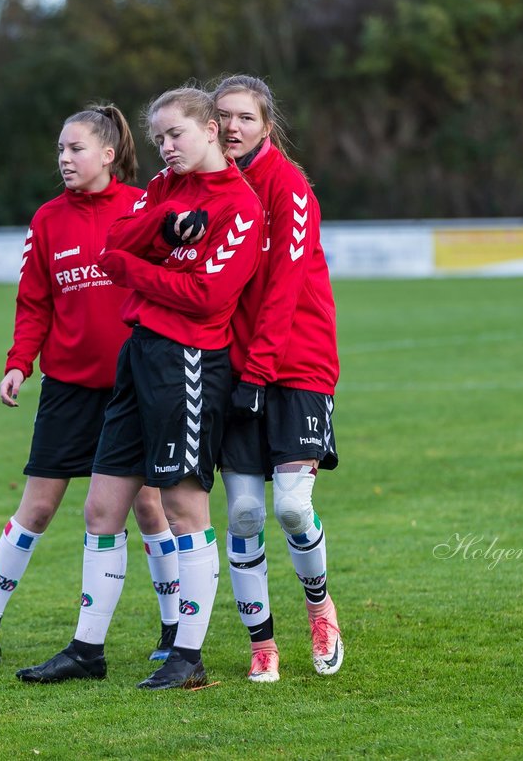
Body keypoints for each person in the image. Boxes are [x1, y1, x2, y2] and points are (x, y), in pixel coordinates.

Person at [15, 86, 264, 690]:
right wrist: (165, 233)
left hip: (189, 360)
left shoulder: (241, 205)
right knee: (101, 508)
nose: (165, 146)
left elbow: (206, 297)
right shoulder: (163, 189)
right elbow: (113, 244)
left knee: (182, 507)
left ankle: (188, 656)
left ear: (210, 129)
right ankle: (86, 649)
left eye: (175, 134)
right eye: (158, 138)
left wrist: (136, 268)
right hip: (138, 352)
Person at [0, 104, 181, 666]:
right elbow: (34, 300)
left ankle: (171, 630)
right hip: (67, 388)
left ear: (108, 155)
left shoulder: (142, 207)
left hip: (134, 387)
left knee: (150, 510)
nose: (64, 158)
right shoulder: (47, 220)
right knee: (36, 508)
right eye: (60, 149)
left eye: (76, 148)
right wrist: (19, 361)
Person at [214, 74, 343, 683]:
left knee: (291, 507)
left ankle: (320, 610)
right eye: (223, 117)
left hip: (297, 366)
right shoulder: (204, 187)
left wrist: (259, 372)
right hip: (237, 369)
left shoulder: (288, 187)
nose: (233, 127)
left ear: (267, 125)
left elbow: (286, 289)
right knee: (242, 515)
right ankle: (261, 643)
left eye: (245, 117)